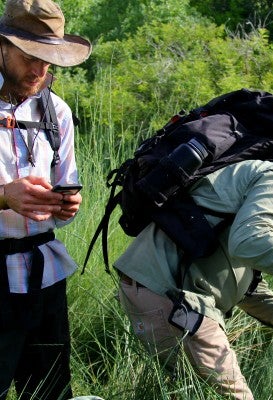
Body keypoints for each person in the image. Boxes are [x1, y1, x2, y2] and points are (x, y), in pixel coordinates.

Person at [115, 155, 273, 399]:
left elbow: (238, 272)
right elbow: (249, 243)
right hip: (172, 295)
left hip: (155, 290)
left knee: (191, 391)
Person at [0, 1, 91, 399]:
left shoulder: (57, 112)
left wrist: (67, 206)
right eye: (29, 57)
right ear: (2, 46)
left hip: (44, 275)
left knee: (50, 391)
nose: (39, 71)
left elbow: (65, 187)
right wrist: (4, 197)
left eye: (48, 60)